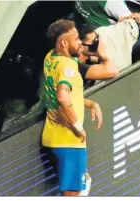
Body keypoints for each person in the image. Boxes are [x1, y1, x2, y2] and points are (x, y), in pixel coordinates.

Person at [41, 19, 103, 196]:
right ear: (63, 43)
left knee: (85, 181)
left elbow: (63, 94)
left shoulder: (50, 58)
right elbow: (62, 96)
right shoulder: (68, 65)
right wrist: (77, 127)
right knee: (73, 194)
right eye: (76, 39)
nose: (80, 43)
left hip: (53, 135)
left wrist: (90, 103)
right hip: (68, 139)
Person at [73, 0, 140, 59]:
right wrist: (138, 18)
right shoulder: (111, 2)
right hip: (114, 43)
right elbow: (131, 24)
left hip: (94, 39)